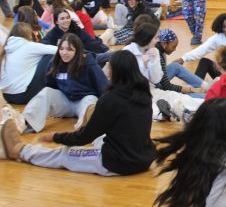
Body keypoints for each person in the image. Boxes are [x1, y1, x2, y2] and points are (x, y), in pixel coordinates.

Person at [0, 50, 157, 176]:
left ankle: (20, 150)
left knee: (64, 154)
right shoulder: (143, 95)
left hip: (118, 164)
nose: (107, 67)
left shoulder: (111, 99)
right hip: (144, 159)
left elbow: (83, 137)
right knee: (102, 137)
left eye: (110, 65)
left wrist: (56, 137)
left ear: (116, 71)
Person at [19, 33, 108, 133]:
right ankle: (25, 123)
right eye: (62, 49)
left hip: (84, 100)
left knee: (91, 102)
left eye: (69, 49)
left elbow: (103, 87)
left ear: (77, 51)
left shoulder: (88, 63)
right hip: (65, 102)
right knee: (46, 92)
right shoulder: (54, 63)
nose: (64, 53)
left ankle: (83, 129)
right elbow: (50, 85)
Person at [123, 22, 204, 122]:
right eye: (156, 38)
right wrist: (190, 89)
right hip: (133, 92)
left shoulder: (154, 51)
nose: (158, 41)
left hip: (150, 89)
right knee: (152, 106)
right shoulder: (127, 51)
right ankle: (164, 113)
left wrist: (153, 61)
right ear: (148, 38)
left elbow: (156, 79)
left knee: (179, 97)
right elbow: (129, 80)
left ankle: (205, 97)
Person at [0, 23, 57, 104]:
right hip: (24, 95)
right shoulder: (29, 46)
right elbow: (58, 50)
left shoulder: (6, 50)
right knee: (50, 56)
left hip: (7, 96)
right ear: (27, 34)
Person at [156, 28, 207, 94]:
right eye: (173, 46)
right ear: (164, 44)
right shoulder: (157, 57)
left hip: (156, 82)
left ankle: (207, 87)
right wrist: (191, 89)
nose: (174, 50)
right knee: (190, 95)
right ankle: (210, 96)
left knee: (175, 66)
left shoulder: (158, 49)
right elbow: (167, 86)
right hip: (154, 89)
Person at [42, 9, 108, 55]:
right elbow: (43, 46)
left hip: (82, 57)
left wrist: (105, 49)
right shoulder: (53, 34)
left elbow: (90, 41)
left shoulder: (75, 29)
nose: (66, 20)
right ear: (56, 22)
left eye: (67, 18)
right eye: (62, 19)